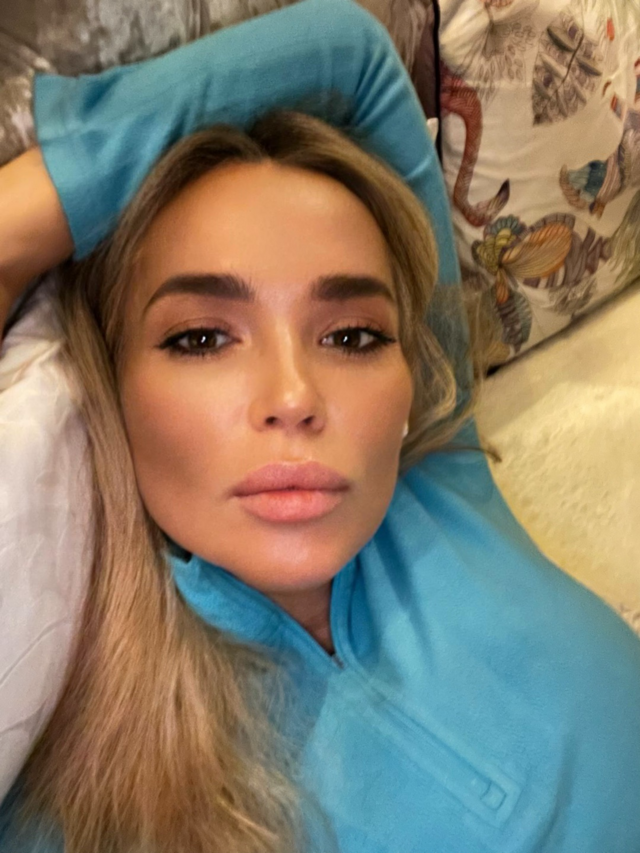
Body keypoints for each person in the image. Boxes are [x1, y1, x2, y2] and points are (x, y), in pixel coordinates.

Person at [1, 1, 639, 852]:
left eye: (352, 336)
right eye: (202, 338)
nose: (296, 394)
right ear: (111, 386)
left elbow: (351, 59)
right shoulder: (72, 798)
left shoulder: (438, 476)